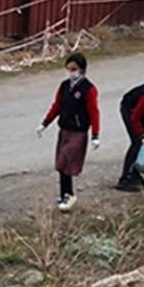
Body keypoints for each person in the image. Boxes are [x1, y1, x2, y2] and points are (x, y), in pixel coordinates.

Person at [36, 53, 101, 212]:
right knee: (61, 163)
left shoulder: (88, 89)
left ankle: (70, 194)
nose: (71, 72)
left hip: (78, 131)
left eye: (74, 69)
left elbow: (94, 112)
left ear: (82, 70)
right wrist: (45, 123)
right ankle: (64, 194)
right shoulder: (65, 86)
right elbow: (57, 106)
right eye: (69, 69)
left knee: (68, 160)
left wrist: (95, 135)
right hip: (64, 129)